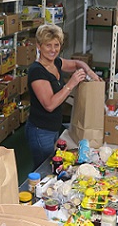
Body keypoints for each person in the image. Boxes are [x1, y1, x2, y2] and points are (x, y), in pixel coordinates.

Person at [25, 24, 101, 170]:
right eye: (48, 45)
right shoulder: (37, 72)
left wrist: (90, 72)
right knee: (44, 169)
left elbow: (77, 63)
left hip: (53, 128)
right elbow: (49, 105)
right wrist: (71, 83)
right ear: (39, 46)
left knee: (55, 166)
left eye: (57, 45)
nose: (53, 50)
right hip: (41, 131)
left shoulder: (56, 63)